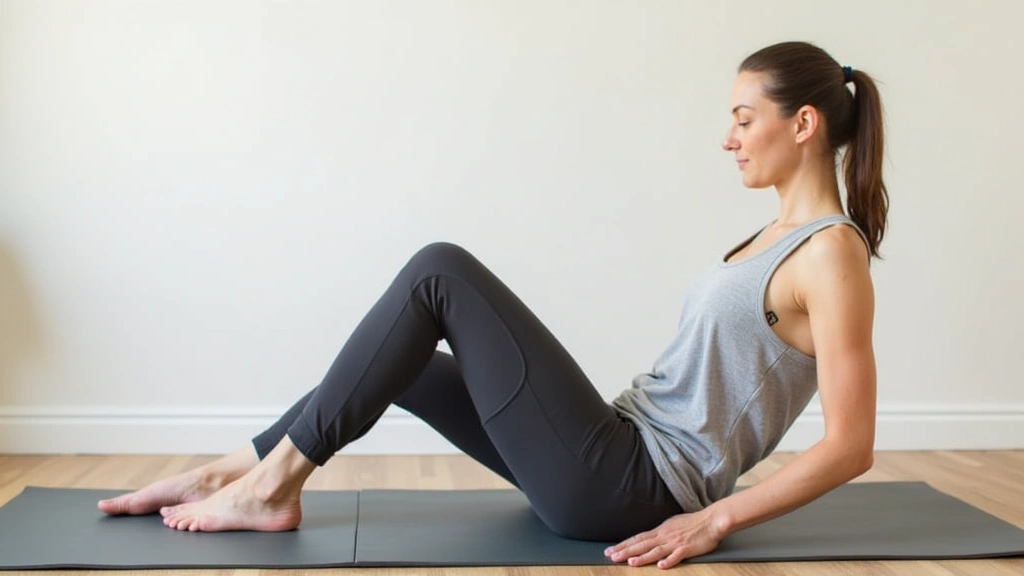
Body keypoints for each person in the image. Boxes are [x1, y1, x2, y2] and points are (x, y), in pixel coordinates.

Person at [97, 40, 887, 569]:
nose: (729, 138)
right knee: (402, 363)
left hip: (633, 486)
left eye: (744, 119)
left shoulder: (829, 254)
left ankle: (270, 491)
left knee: (438, 271)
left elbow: (851, 446)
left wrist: (716, 520)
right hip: (617, 450)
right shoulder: (772, 236)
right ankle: (231, 473)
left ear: (805, 123)